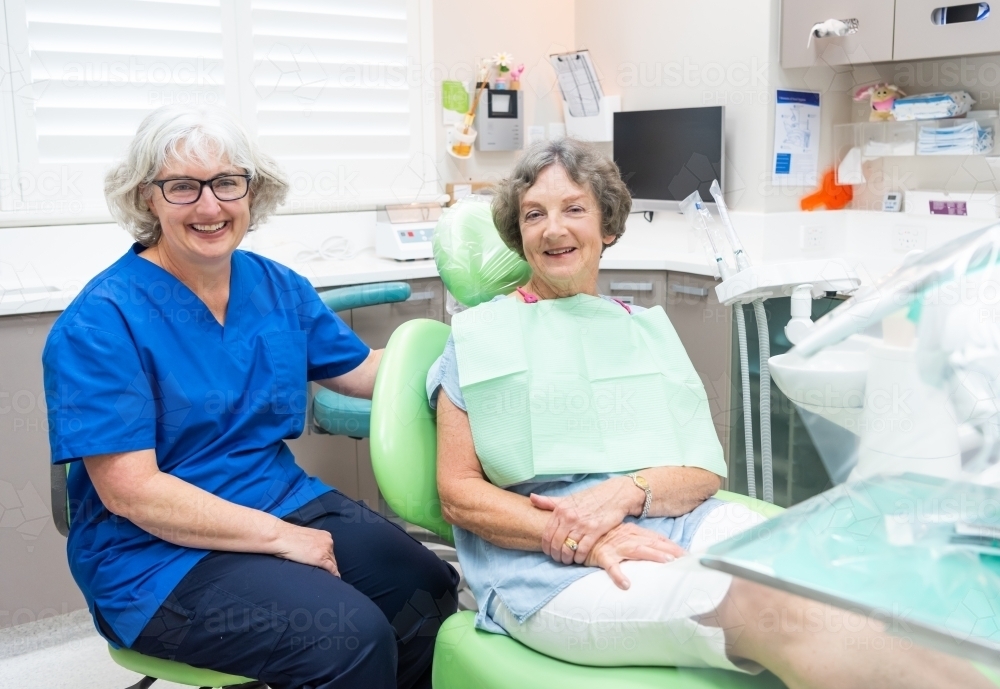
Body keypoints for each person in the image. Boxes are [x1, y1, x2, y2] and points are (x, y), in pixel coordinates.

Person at [428, 138, 992, 689]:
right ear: (518, 234)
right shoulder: (480, 337)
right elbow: (458, 492)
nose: (554, 228)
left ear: (609, 228)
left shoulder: (642, 328)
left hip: (680, 522)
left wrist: (627, 492)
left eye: (574, 208)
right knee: (774, 609)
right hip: (546, 567)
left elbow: (702, 473)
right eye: (534, 215)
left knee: (853, 578)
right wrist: (581, 536)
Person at [42, 104, 458, 689]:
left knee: (428, 590)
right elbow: (132, 493)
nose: (210, 206)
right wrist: (282, 539)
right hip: (153, 556)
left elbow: (364, 371)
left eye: (226, 183)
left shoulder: (274, 285)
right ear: (147, 199)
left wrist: (476, 353)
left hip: (277, 497)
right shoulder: (100, 325)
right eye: (183, 187)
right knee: (346, 636)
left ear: (251, 191)